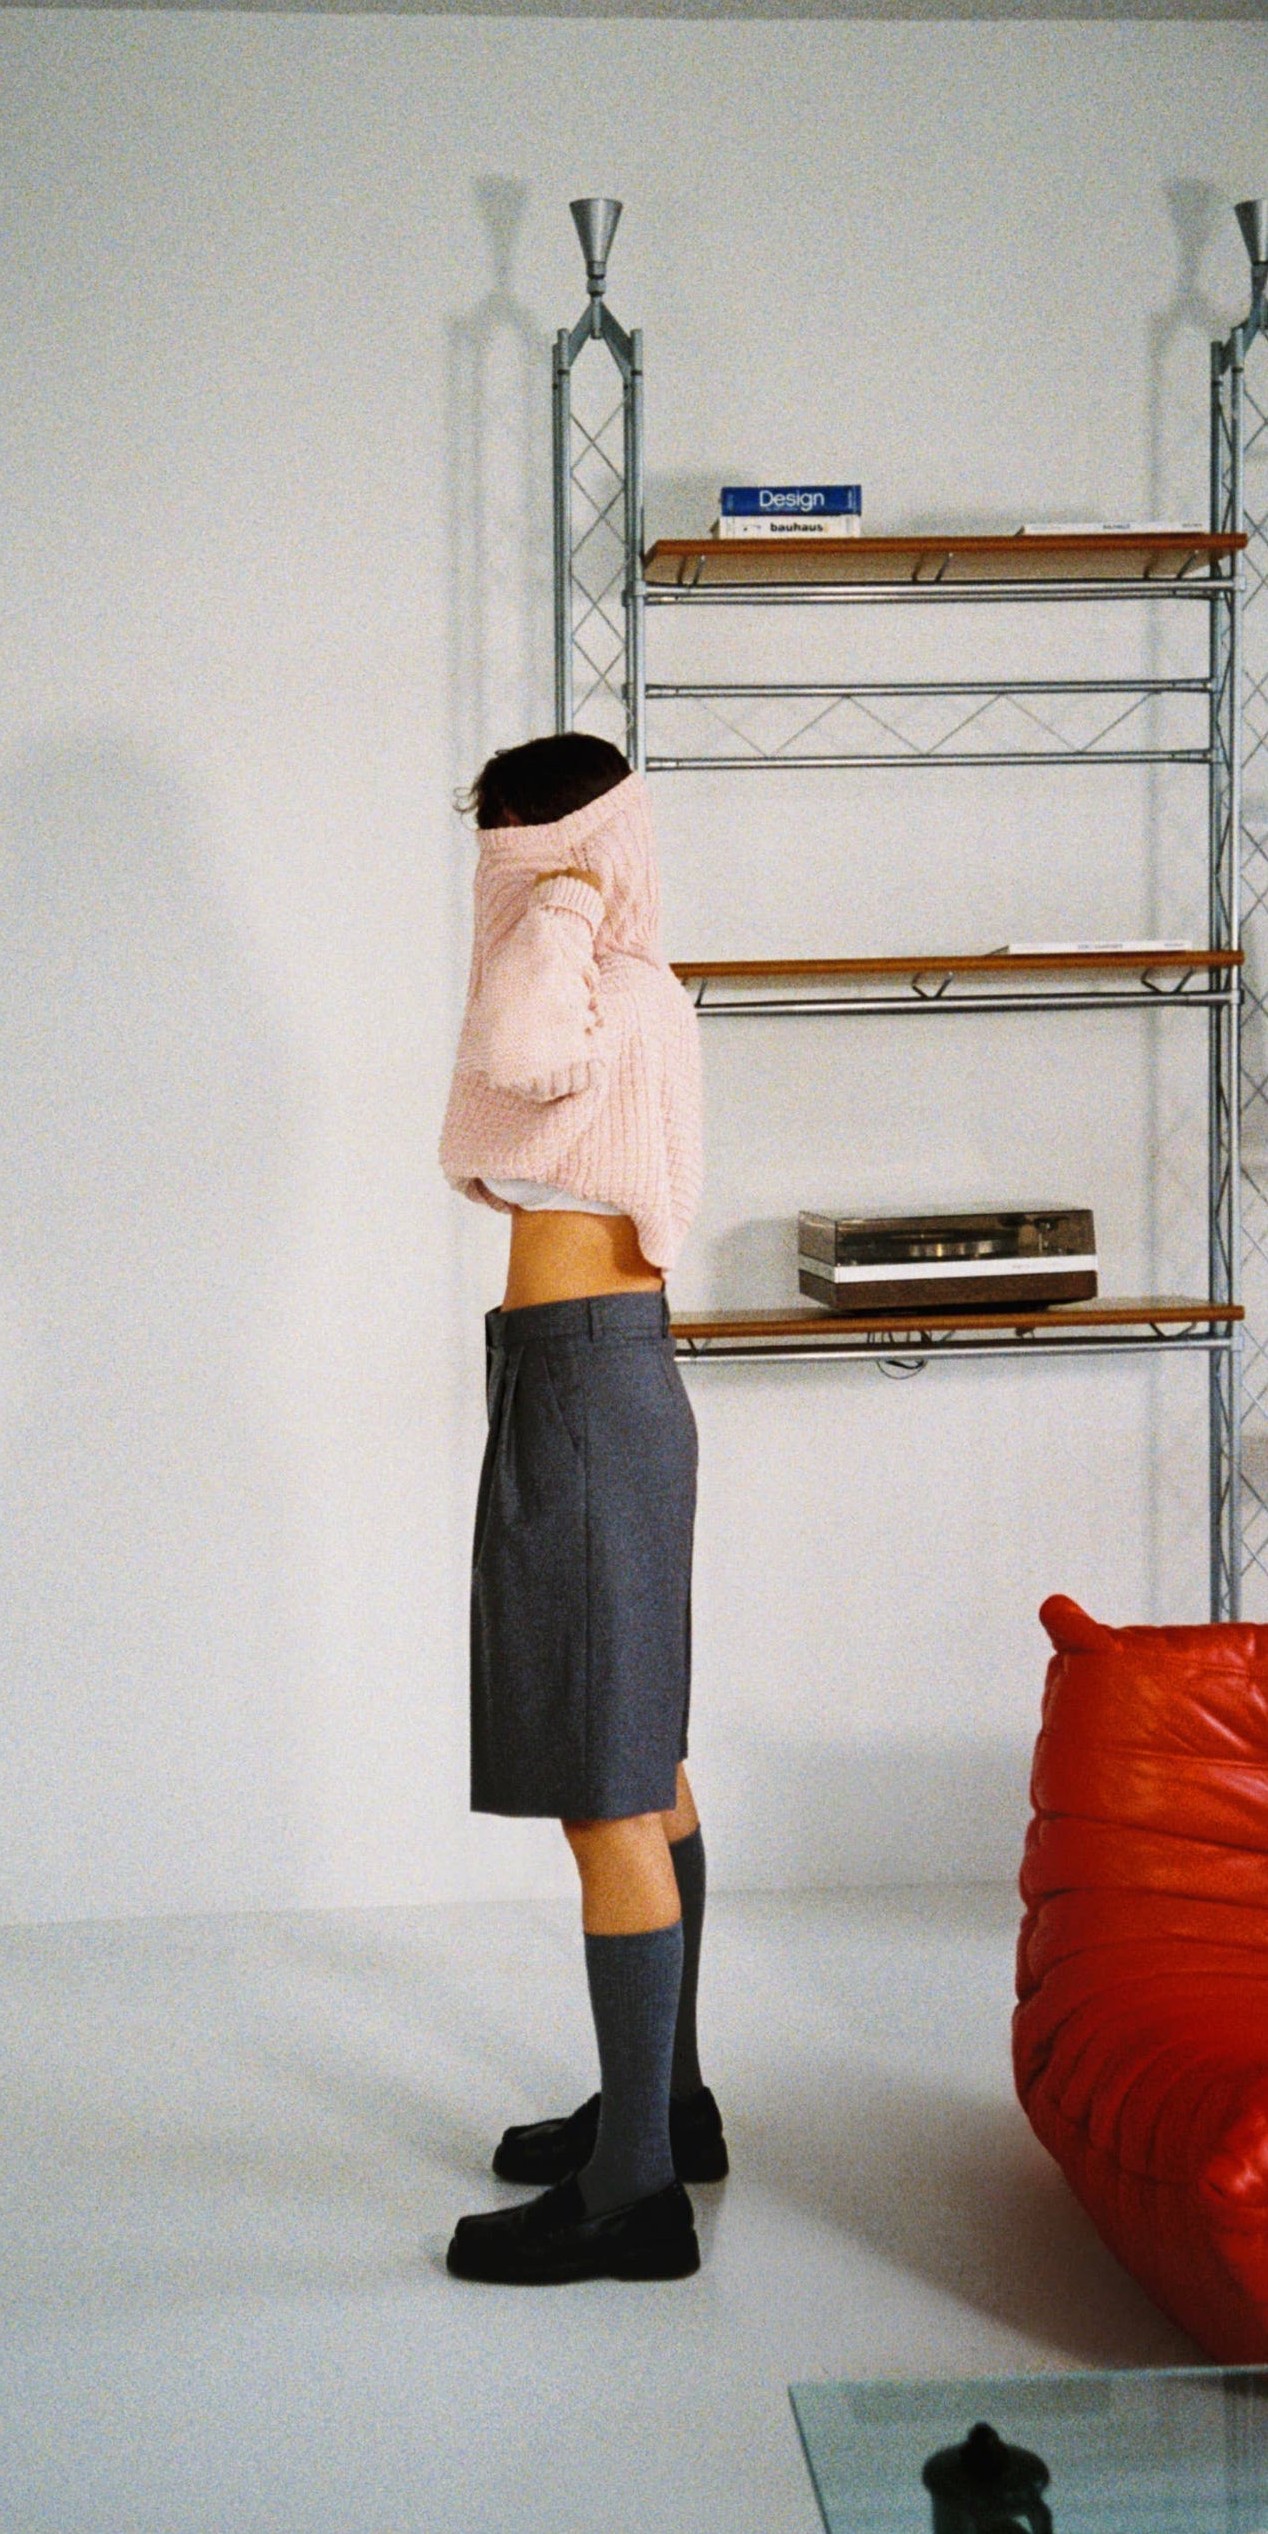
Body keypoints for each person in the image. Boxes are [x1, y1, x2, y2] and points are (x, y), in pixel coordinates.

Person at [438, 730, 725, 2285]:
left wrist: (554, 899)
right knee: (645, 1761)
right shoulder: (643, 984)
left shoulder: (595, 979)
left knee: (602, 1789)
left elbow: (522, 1051)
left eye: (506, 841)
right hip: (602, 1376)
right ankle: (664, 2104)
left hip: (586, 1386)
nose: (490, 872)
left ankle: (633, 2197)